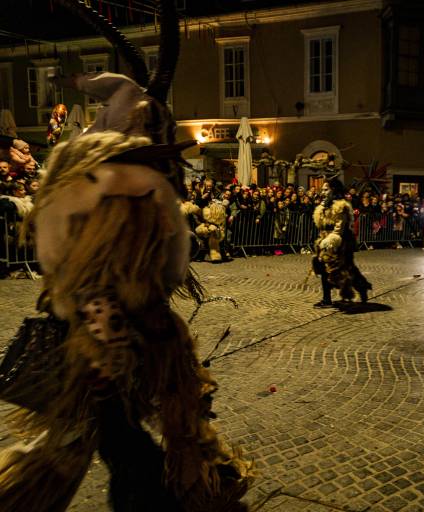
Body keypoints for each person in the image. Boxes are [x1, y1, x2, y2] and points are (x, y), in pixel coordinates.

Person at [0, 2, 250, 510]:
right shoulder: (109, 192)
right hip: (107, 339)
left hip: (134, 332)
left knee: (122, 443)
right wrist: (107, 343)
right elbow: (89, 274)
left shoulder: (126, 192)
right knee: (110, 449)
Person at [311, 176, 372, 307]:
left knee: (344, 270)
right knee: (324, 269)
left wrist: (329, 241)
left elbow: (339, 228)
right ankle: (327, 299)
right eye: (323, 190)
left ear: (333, 190)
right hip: (325, 240)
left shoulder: (341, 206)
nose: (323, 192)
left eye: (326, 189)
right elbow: (321, 225)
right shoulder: (324, 206)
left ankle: (361, 287)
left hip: (340, 242)